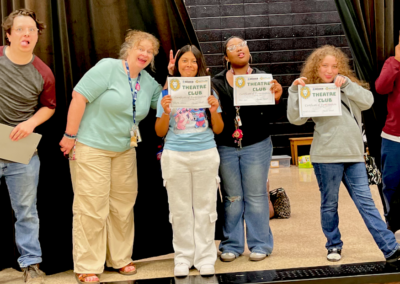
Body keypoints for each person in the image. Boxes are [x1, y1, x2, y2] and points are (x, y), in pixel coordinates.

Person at [59, 30, 162, 283]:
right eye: (141, 48)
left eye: (150, 51)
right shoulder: (108, 68)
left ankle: (120, 258)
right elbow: (79, 97)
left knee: (122, 207)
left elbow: (168, 101)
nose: (145, 54)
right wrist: (69, 135)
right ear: (127, 49)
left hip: (125, 150)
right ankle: (87, 265)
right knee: (91, 207)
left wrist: (176, 77)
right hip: (91, 147)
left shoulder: (148, 82)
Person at [287, 45, 400, 263]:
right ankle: (333, 245)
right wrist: (294, 92)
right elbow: (296, 119)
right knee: (329, 203)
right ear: (316, 68)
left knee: (366, 202)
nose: (329, 70)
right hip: (325, 157)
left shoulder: (349, 86)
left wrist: (348, 84)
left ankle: (390, 248)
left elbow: (368, 101)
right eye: (324, 66)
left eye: (334, 66)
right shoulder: (310, 89)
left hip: (354, 156)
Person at [212, 36, 283, 262]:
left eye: (242, 44)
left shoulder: (263, 79)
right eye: (232, 47)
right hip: (226, 146)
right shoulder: (216, 82)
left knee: (256, 195)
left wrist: (277, 97)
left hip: (257, 144)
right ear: (226, 57)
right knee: (232, 197)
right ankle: (231, 245)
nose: (238, 49)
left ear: (249, 51)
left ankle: (260, 244)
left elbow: (272, 117)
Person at [155, 45, 224, 277]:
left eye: (193, 61)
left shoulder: (209, 92)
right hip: (175, 155)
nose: (189, 65)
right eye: (184, 61)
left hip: (205, 153)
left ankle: (205, 257)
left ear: (200, 65)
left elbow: (219, 128)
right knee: (180, 209)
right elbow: (159, 132)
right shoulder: (167, 93)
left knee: (206, 208)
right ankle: (183, 257)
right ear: (177, 65)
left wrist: (214, 110)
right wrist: (165, 111)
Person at [0, 9, 56, 284]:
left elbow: (49, 107)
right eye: (20, 29)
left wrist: (31, 123)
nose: (26, 34)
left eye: (32, 29)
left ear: (37, 35)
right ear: (8, 34)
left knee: (26, 209)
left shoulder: (43, 72)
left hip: (19, 146)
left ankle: (31, 265)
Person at [375, 35, 400, 232]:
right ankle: (393, 221)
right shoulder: (392, 63)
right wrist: (397, 62)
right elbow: (381, 88)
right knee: (390, 181)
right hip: (394, 136)